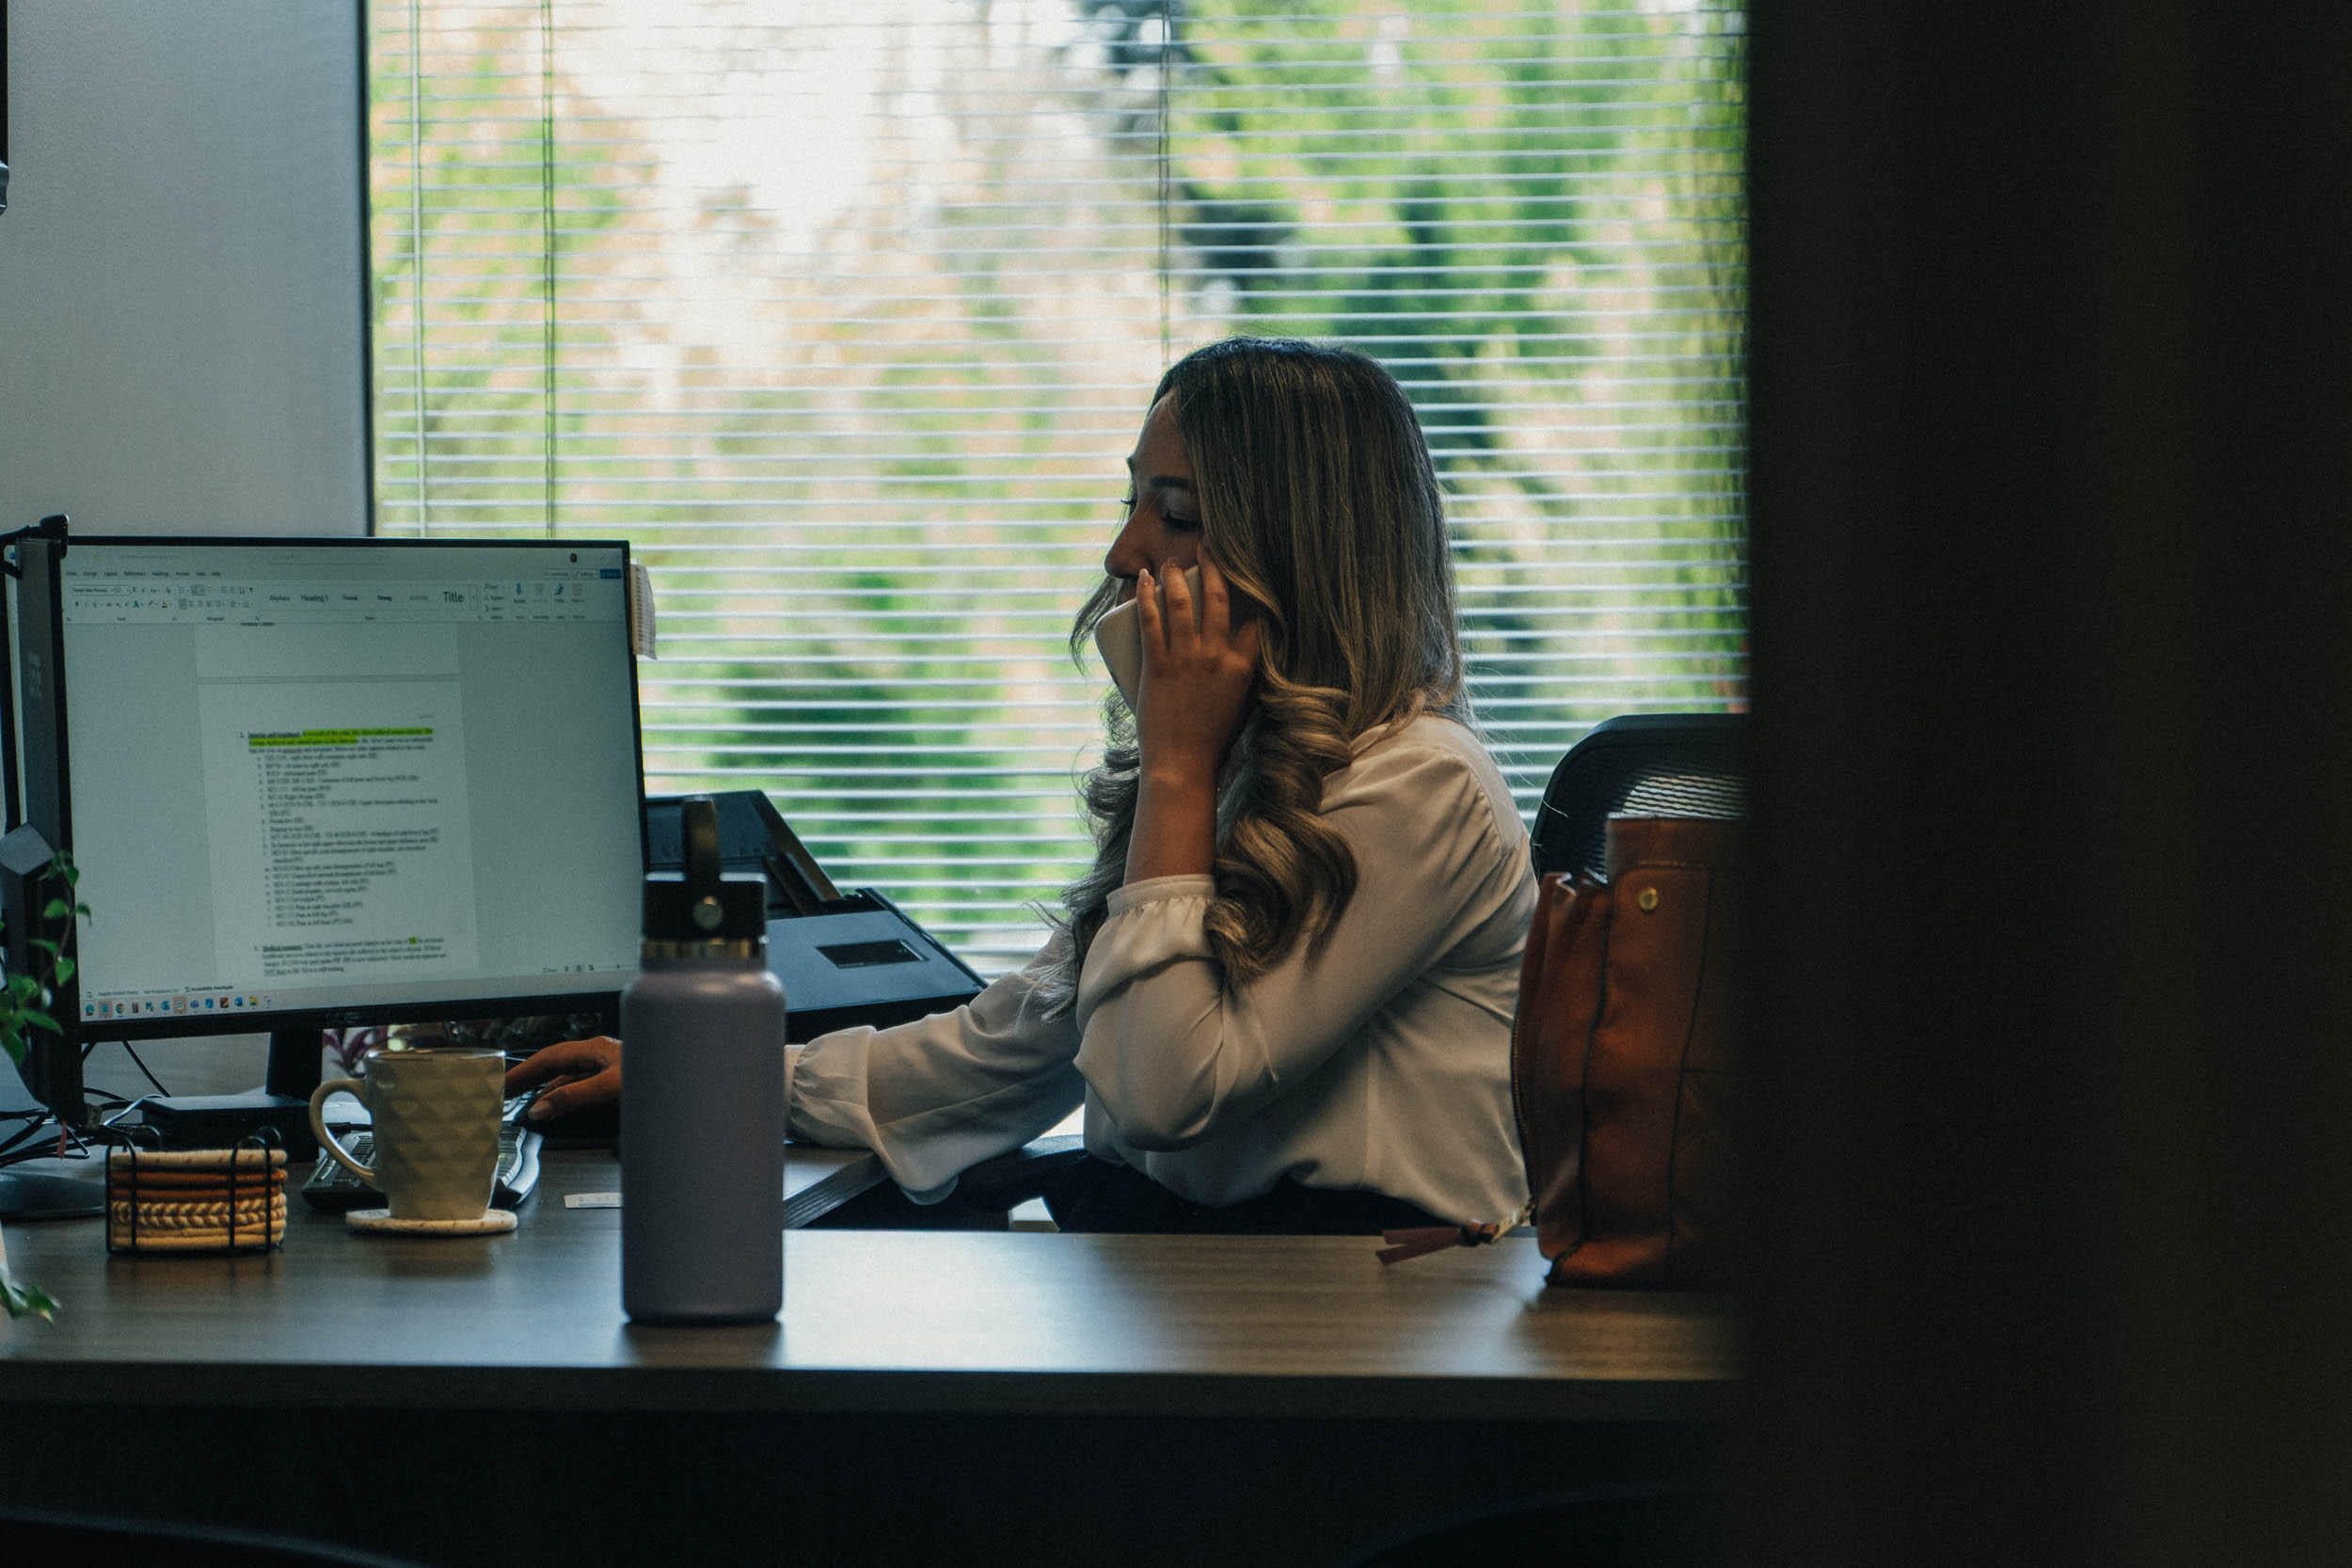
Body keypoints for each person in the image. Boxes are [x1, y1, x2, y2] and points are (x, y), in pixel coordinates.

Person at [507, 337, 1537, 1233]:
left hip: (1356, 1307)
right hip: (1207, 1281)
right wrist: (700, 1074)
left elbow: (1159, 1089)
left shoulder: (1418, 784)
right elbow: (1012, 1045)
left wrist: (1176, 763)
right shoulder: (1240, 772)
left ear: (1299, 555)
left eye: (1175, 512)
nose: (1123, 550)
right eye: (1133, 500)